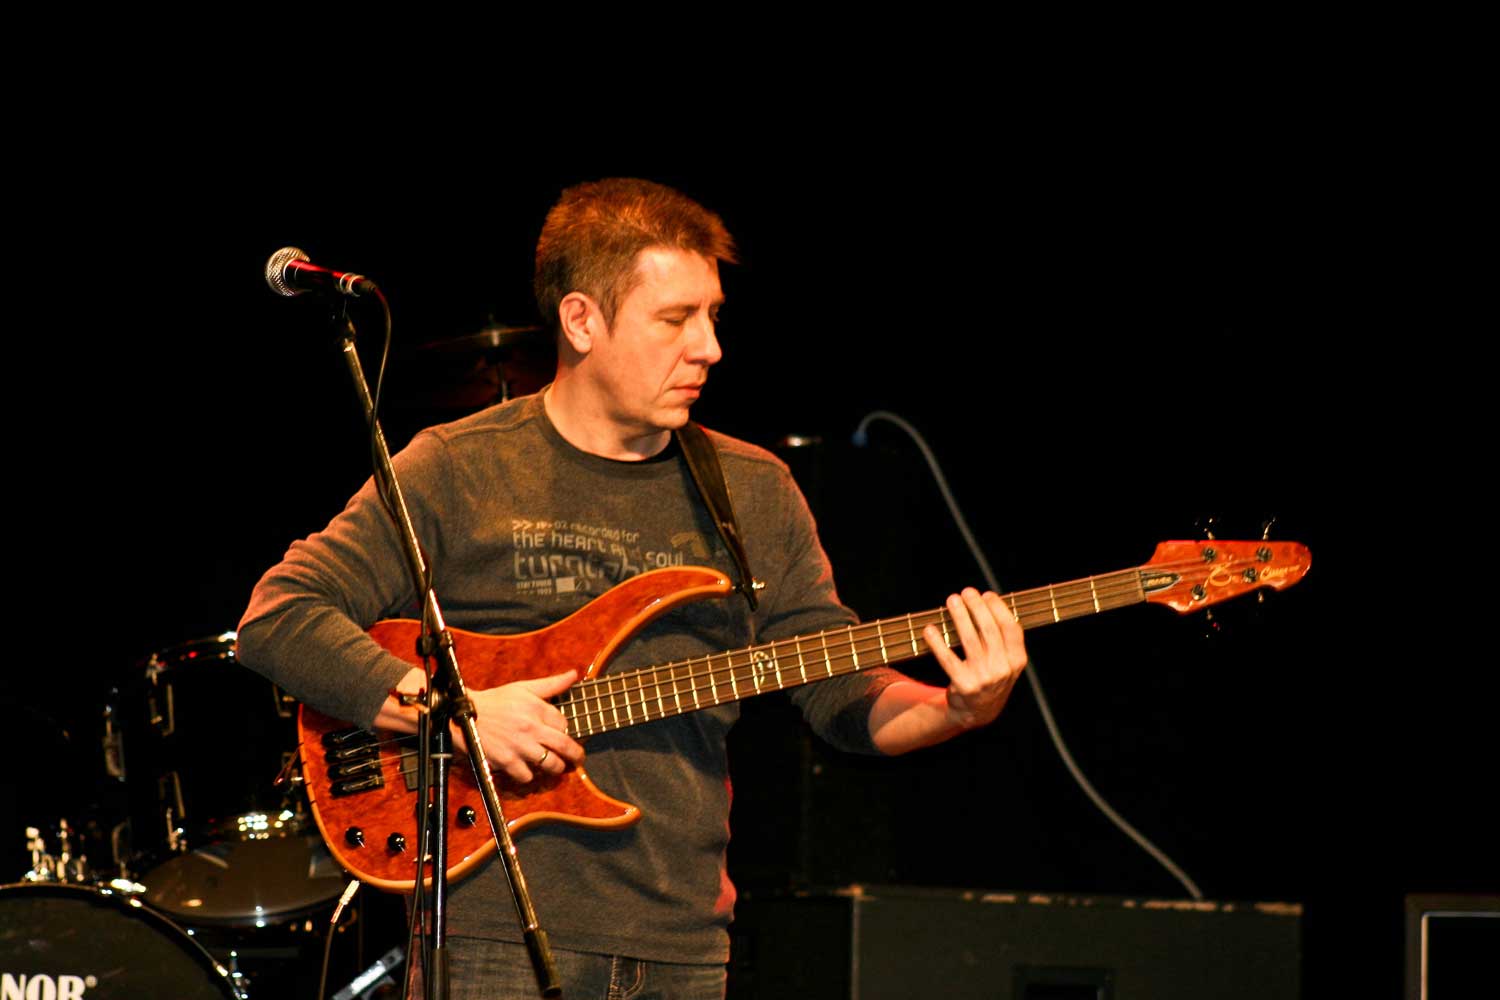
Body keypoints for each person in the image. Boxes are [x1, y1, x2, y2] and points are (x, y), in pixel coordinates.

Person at [236, 178, 1028, 999]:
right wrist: (449, 709)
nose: (709, 347)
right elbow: (278, 617)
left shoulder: (755, 490)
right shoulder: (459, 465)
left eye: (712, 316)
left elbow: (839, 694)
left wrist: (957, 708)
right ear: (582, 321)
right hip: (494, 937)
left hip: (684, 942)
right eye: (675, 319)